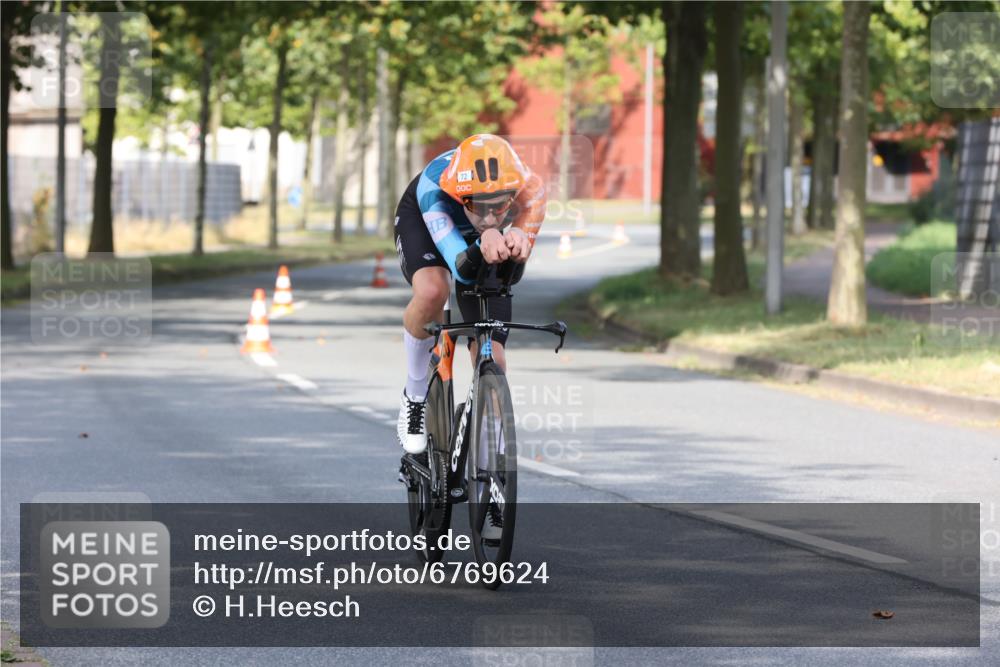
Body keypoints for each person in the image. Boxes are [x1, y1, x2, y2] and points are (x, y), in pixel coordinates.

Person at [394, 134, 546, 454]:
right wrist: (485, 239)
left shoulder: (529, 186)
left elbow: (511, 277)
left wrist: (519, 238)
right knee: (434, 290)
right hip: (426, 224)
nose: (491, 217)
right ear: (463, 197)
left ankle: (493, 442)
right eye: (480, 206)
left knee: (493, 349)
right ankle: (415, 396)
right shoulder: (435, 192)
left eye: (501, 205)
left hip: (476, 235)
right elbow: (461, 270)